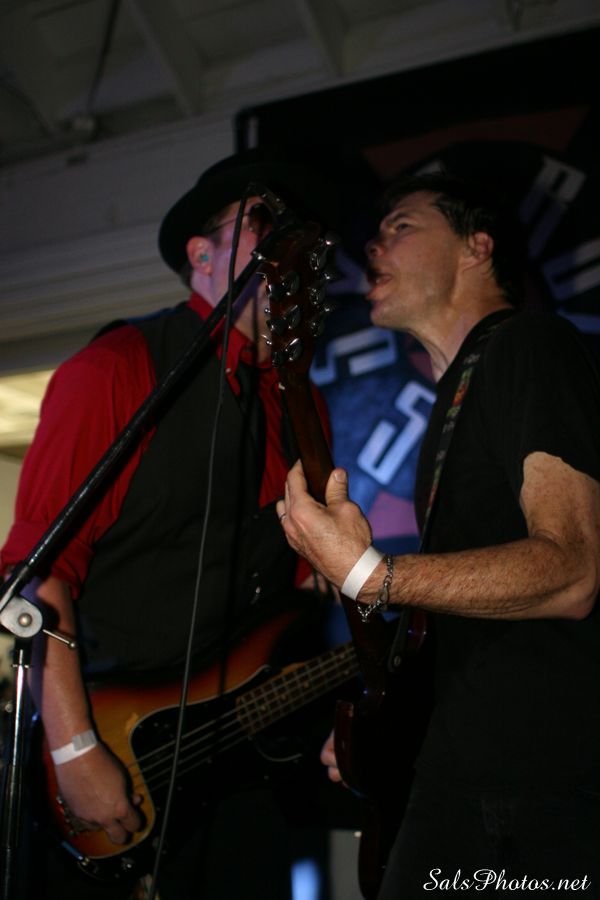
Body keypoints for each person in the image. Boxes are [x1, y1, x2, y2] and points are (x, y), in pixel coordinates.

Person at [0, 150, 340, 900]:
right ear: (202, 254)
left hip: (246, 769)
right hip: (117, 751)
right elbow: (40, 574)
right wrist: (74, 751)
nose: (288, 246)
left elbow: (299, 592)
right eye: (264, 224)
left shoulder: (302, 403)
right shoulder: (117, 367)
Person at [277, 171, 600, 897]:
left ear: (476, 248)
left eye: (402, 227)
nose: (374, 245)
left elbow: (573, 569)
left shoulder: (530, 346)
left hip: (540, 788)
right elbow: (463, 627)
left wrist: (371, 573)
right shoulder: (457, 396)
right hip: (465, 771)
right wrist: (389, 730)